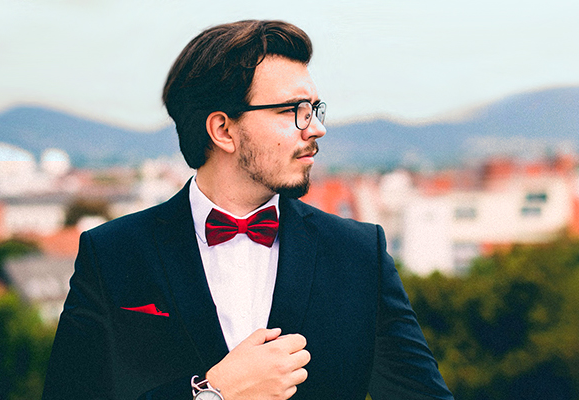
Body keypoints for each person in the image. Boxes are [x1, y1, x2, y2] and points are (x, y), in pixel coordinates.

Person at [42, 20, 453, 400]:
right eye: (292, 110)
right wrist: (212, 392)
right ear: (223, 130)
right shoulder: (112, 255)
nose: (316, 128)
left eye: (314, 108)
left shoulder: (358, 254)